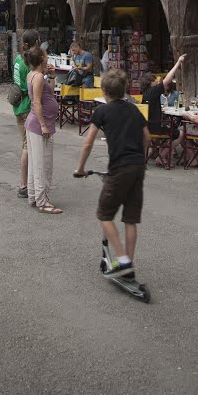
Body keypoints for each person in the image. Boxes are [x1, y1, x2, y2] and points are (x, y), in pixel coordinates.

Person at [74, 69, 151, 278]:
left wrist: (80, 169)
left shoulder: (102, 111)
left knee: (104, 214)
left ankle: (123, 260)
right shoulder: (134, 110)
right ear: (124, 90)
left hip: (120, 167)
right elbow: (147, 137)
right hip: (138, 166)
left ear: (104, 91)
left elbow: (88, 141)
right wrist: (140, 157)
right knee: (130, 218)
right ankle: (130, 263)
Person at [26, 45, 61, 213]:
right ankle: (42, 201)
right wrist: (43, 125)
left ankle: (34, 196)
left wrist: (52, 76)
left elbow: (50, 94)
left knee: (35, 163)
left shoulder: (35, 75)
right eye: (45, 56)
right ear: (41, 59)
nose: (47, 58)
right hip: (40, 124)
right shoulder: (38, 77)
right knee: (42, 164)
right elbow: (37, 102)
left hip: (36, 123)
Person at [141, 55, 185, 164]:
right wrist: (178, 62)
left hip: (147, 127)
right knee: (180, 133)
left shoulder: (145, 94)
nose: (157, 82)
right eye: (154, 80)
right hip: (155, 128)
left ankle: (155, 153)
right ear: (150, 83)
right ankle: (162, 157)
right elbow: (168, 79)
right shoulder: (153, 91)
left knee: (167, 127)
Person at [12, 29, 40, 199]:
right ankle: (24, 184)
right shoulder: (28, 62)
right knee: (27, 147)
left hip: (18, 105)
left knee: (25, 145)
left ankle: (27, 182)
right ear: (36, 42)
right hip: (26, 106)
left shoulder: (17, 58)